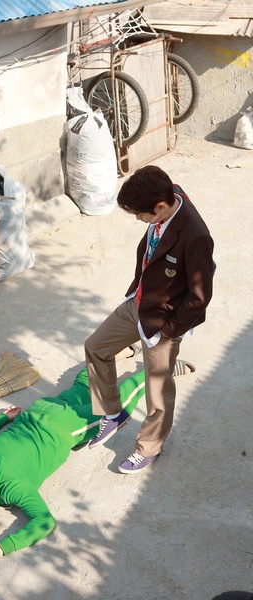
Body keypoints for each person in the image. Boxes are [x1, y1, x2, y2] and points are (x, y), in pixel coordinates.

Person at [0, 354, 192, 567]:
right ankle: (113, 353)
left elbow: (44, 522)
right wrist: (4, 418)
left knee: (116, 409)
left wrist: (3, 547)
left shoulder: (12, 490)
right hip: (40, 410)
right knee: (82, 390)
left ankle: (157, 370)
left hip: (65, 428)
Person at [85, 165, 214, 474]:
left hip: (164, 321)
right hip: (139, 303)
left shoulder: (195, 236)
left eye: (139, 215)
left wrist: (170, 331)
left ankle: (149, 448)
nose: (137, 220)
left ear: (160, 206)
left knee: (157, 390)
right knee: (96, 347)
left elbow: (200, 296)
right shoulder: (170, 193)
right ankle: (113, 413)